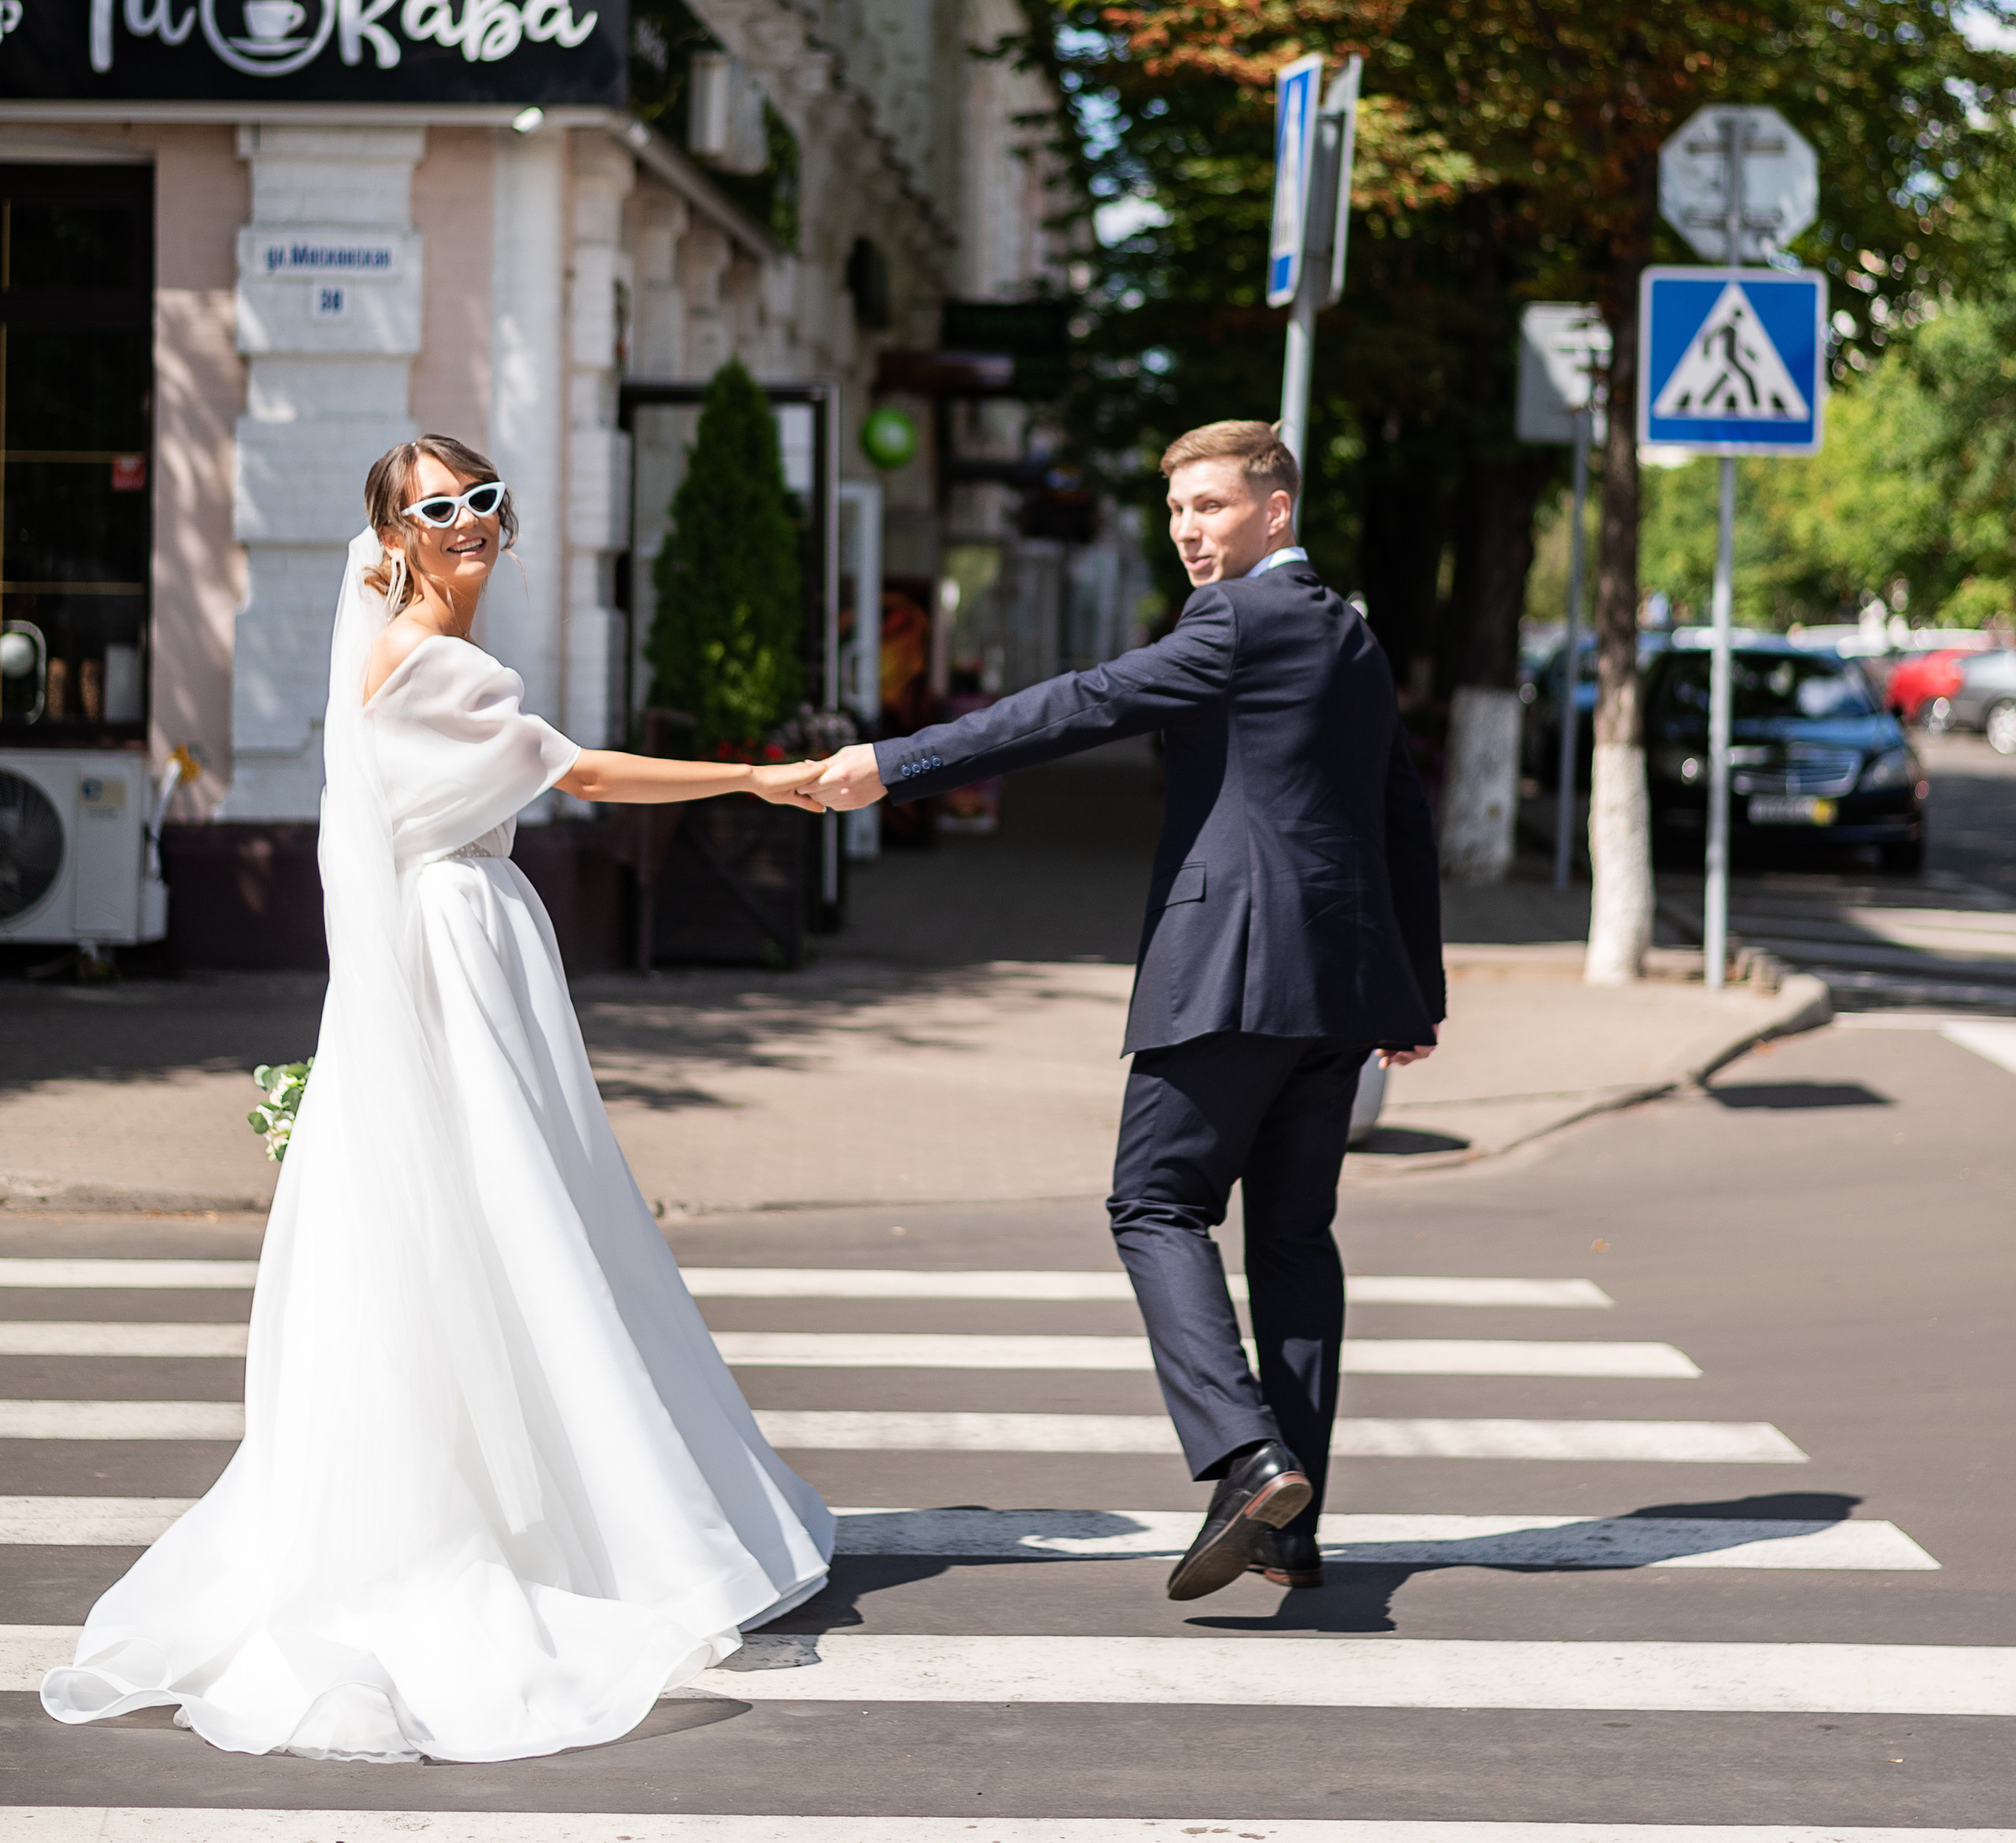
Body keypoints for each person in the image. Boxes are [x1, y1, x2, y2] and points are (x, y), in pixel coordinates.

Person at [42, 436, 836, 1763]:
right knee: (521, 1214)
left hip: (456, 933)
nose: (463, 521)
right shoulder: (432, 661)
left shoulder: (402, 650)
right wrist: (755, 776)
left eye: (478, 500)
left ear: (503, 520)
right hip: (456, 944)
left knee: (513, 1216)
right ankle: (559, 1524)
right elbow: (575, 773)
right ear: (395, 535)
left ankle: (559, 1494)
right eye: (433, 508)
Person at [813, 419, 1444, 1602]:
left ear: (1277, 509)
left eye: (1212, 506)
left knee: (1154, 1203)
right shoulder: (1351, 633)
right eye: (1177, 510)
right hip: (1338, 990)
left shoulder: (1238, 621)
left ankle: (1248, 1458)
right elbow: (1397, 814)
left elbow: (1080, 703)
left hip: (1231, 971)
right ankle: (1290, 1528)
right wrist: (1415, 990)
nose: (1190, 531)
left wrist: (893, 764)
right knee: (1296, 1242)